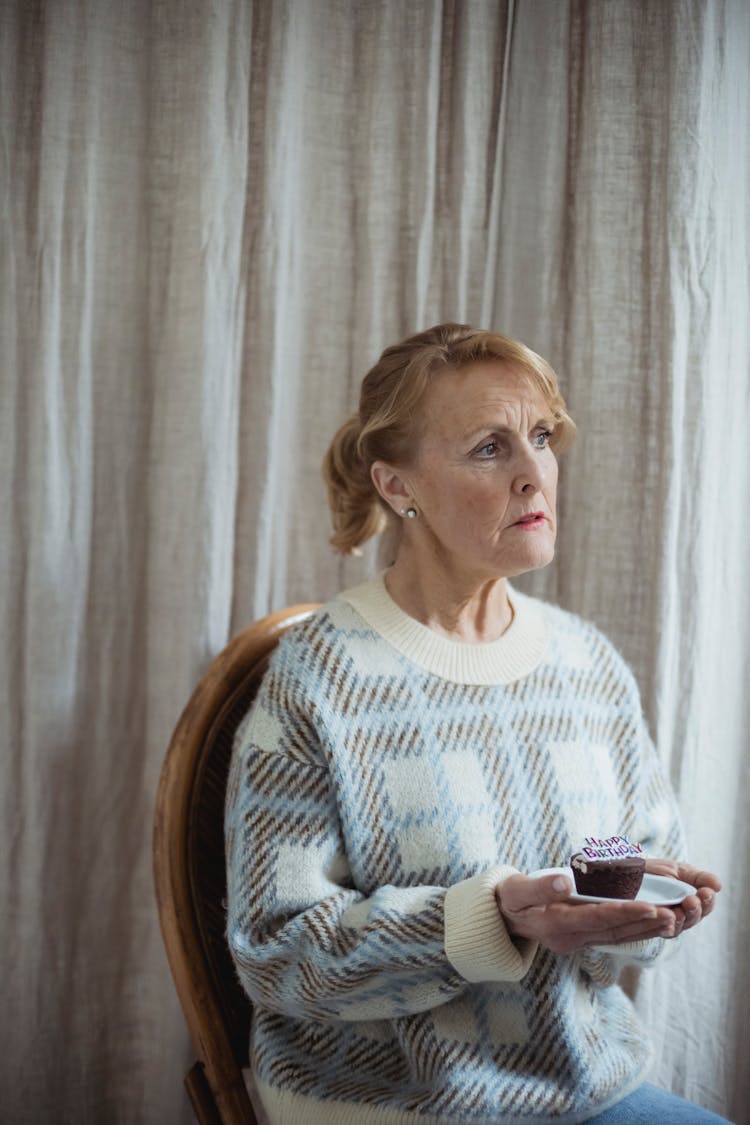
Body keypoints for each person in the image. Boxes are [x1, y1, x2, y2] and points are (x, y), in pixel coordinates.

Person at [225, 324, 727, 1124]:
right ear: (398, 486)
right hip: (387, 1102)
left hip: (586, 1090)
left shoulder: (584, 662)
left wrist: (635, 901)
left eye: (540, 437)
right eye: (491, 448)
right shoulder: (323, 676)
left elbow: (613, 858)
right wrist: (485, 920)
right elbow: (279, 953)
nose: (536, 474)